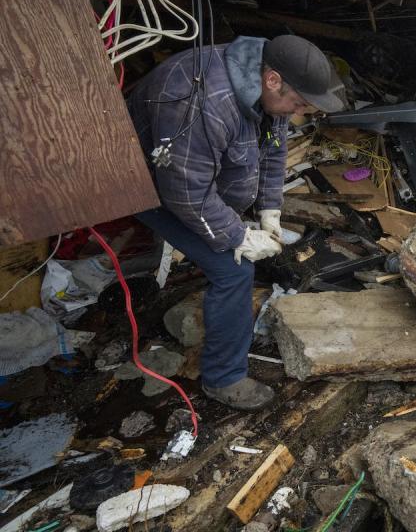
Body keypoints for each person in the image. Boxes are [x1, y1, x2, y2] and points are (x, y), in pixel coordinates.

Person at [127, 34, 343, 409]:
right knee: (233, 270)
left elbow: (273, 151)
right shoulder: (202, 104)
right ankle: (224, 379)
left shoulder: (264, 90)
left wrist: (269, 209)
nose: (297, 113)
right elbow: (186, 195)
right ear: (273, 80)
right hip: (149, 184)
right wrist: (236, 235)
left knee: (230, 247)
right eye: (299, 104)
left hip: (194, 178)